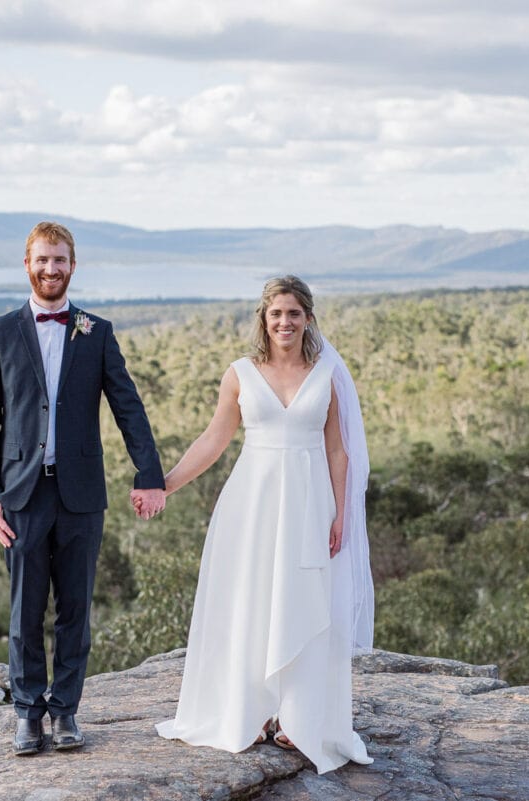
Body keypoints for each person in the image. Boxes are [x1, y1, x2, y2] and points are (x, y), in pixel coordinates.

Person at [149, 275, 375, 774]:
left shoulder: (327, 375)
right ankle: (248, 713)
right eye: (276, 314)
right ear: (264, 320)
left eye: (294, 313)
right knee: (251, 603)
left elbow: (338, 452)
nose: (284, 322)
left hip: (311, 506)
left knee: (305, 601)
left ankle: (300, 717)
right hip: (251, 507)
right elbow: (213, 440)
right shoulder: (241, 374)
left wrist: (341, 513)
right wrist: (164, 484)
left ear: (308, 318)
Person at [0, 221, 167, 756]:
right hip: (21, 496)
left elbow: (128, 407)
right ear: (27, 264)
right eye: (42, 260)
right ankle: (26, 713)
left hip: (82, 496)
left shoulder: (95, 331)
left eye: (60, 260)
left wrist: (149, 475)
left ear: (73, 266)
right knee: (24, 611)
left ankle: (66, 713)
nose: (51, 269)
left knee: (75, 611)